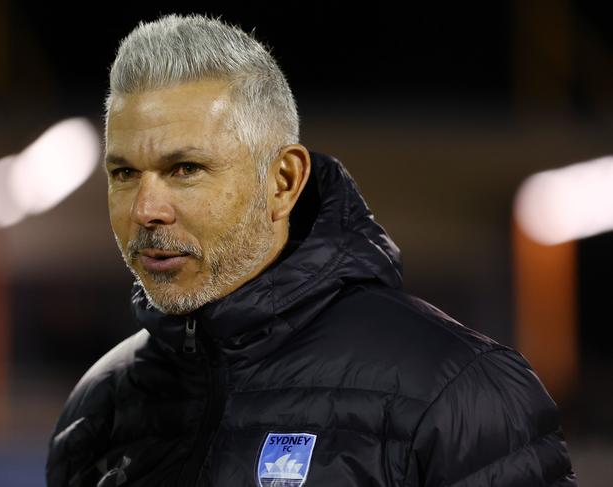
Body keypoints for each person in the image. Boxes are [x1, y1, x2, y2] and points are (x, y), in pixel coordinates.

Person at [46, 13, 577, 487]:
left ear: (282, 181)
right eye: (124, 173)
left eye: (185, 170)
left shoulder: (458, 392)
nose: (145, 209)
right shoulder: (98, 409)